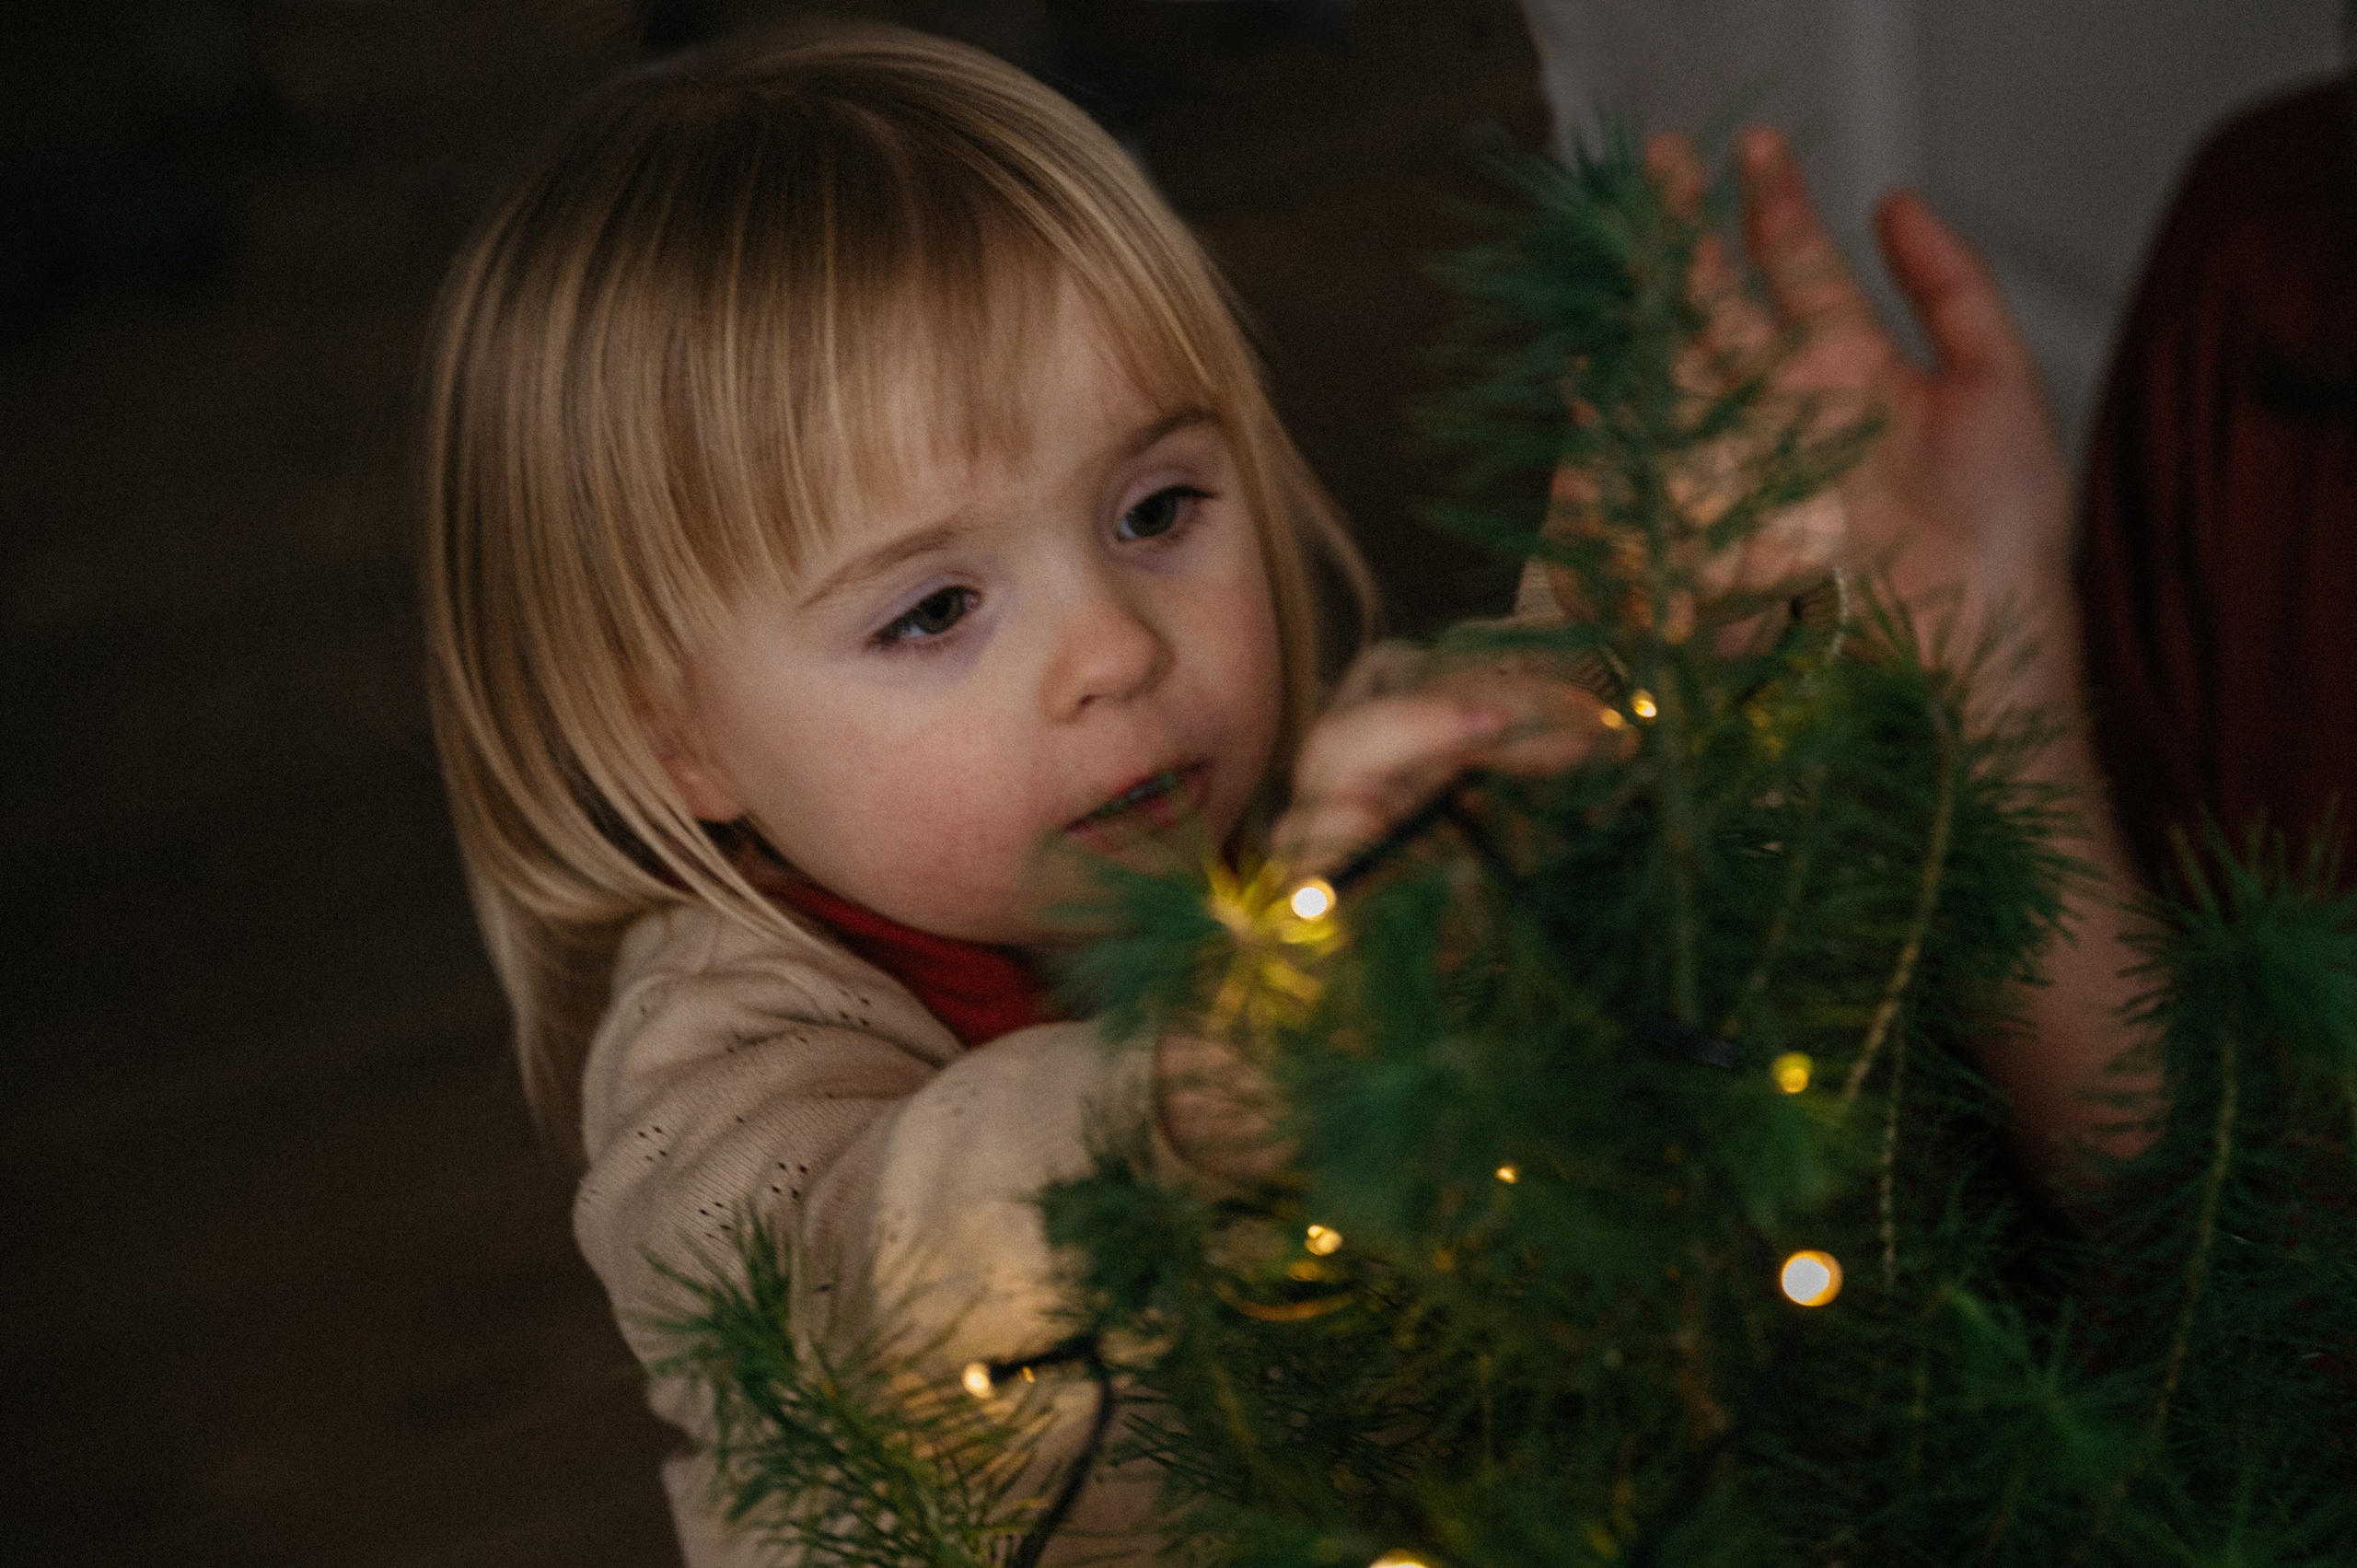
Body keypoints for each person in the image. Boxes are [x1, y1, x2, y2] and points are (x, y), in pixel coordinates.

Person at [420, 29, 2142, 1565]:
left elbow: (1492, 813)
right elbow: (833, 1278)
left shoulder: (1282, 839)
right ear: (676, 748)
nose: (1113, 648)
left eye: (1155, 509)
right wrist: (1181, 1104)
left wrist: (1636, 623)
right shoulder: (718, 1041)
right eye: (933, 609)